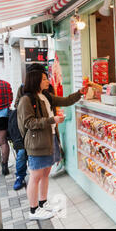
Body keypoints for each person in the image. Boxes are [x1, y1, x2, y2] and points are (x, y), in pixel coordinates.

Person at [17, 68, 86, 220]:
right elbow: (28, 123)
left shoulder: (45, 96)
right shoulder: (26, 100)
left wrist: (80, 92)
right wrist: (52, 120)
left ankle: (43, 203)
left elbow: (66, 100)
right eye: (44, 79)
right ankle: (33, 210)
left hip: (50, 138)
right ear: (35, 81)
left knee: (46, 173)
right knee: (35, 175)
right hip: (36, 143)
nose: (47, 81)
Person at [10, 63, 47, 190]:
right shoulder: (23, 88)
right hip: (25, 129)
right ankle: (20, 177)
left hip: (40, 130)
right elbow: (16, 105)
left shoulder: (47, 88)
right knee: (21, 153)